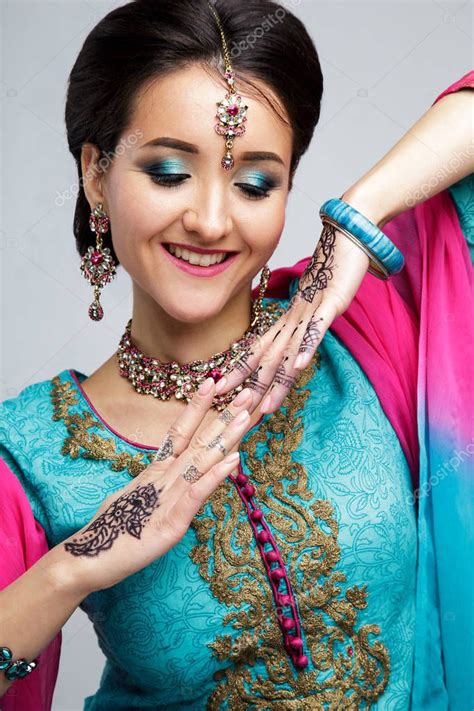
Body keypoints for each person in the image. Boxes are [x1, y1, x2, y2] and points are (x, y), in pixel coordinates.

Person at [0, 0, 472, 708]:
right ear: (98, 173)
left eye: (256, 182)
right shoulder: (33, 453)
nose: (213, 220)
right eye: (167, 171)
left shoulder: (363, 335)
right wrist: (74, 567)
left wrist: (357, 217)